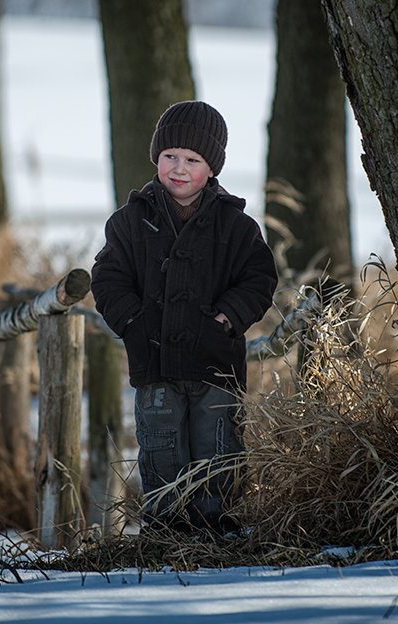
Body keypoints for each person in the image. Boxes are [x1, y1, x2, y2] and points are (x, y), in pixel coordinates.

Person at [90, 100, 277, 535]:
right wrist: (133, 322)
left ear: (211, 168)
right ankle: (166, 530)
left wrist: (228, 316)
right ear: (156, 158)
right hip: (153, 362)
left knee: (218, 447)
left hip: (215, 363)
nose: (178, 168)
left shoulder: (235, 225)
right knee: (161, 446)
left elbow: (259, 278)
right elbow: (108, 278)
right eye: (169, 156)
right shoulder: (130, 222)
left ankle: (217, 530)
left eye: (192, 159)